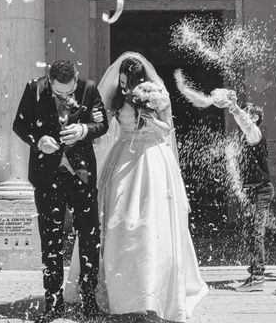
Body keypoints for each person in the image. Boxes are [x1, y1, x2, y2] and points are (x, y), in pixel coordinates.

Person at [65, 52, 207, 322]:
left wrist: (147, 116)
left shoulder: (157, 94)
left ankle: (151, 292)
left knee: (151, 224)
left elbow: (167, 131)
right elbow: (102, 126)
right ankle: (117, 291)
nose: (122, 84)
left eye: (126, 79)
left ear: (138, 79)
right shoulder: (116, 98)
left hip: (153, 160)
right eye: (120, 79)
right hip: (122, 159)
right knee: (119, 220)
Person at [13, 60, 108, 322]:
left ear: (76, 79)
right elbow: (20, 125)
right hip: (47, 177)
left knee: (89, 238)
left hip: (82, 177)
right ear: (49, 82)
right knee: (51, 240)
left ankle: (90, 301)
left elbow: (103, 124)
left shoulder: (89, 88)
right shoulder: (34, 89)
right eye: (58, 93)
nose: (65, 96)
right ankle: (53, 305)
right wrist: (38, 141)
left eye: (69, 92)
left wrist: (84, 129)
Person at [225, 96, 276, 291]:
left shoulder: (255, 134)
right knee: (261, 226)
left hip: (262, 190)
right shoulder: (245, 137)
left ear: (256, 117)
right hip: (255, 191)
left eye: (247, 114)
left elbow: (246, 123)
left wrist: (234, 109)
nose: (243, 118)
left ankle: (258, 276)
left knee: (255, 233)